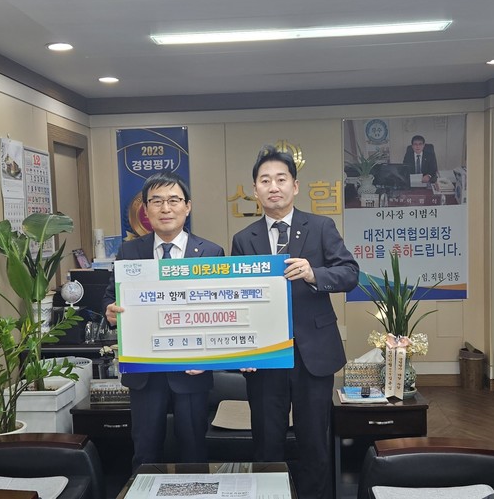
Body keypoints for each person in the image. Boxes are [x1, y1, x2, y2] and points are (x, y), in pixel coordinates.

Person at [231, 146, 359, 499]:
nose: (273, 187)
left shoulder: (320, 227)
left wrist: (314, 273)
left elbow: (350, 273)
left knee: (314, 443)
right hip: (265, 356)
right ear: (255, 190)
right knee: (266, 443)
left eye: (281, 179)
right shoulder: (244, 239)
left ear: (295, 186)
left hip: (312, 354)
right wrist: (243, 351)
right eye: (265, 180)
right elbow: (238, 299)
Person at [103, 170, 225, 470]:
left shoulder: (210, 252)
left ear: (188, 206)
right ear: (145, 210)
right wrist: (110, 310)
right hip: (145, 370)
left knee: (194, 450)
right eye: (156, 201)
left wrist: (210, 356)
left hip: (192, 369)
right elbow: (109, 296)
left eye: (174, 200)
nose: (165, 208)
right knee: (145, 450)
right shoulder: (130, 251)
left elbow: (221, 310)